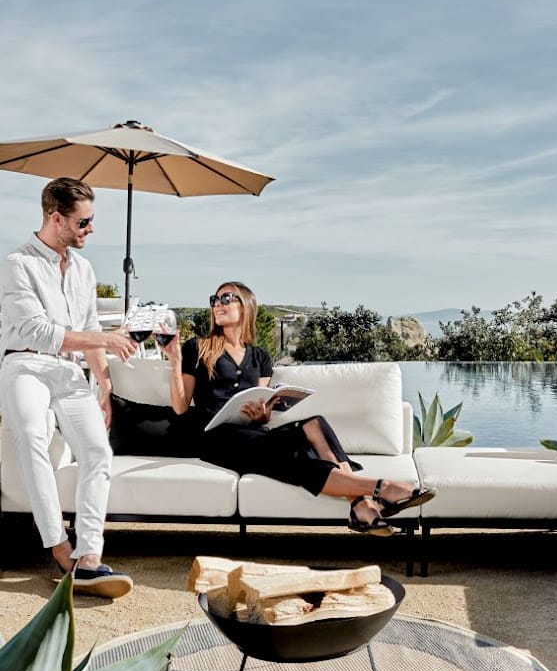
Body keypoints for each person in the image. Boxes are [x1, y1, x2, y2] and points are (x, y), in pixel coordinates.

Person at [161, 281, 434, 535]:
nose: (217, 304)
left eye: (226, 298)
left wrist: (263, 414)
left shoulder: (260, 357)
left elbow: (263, 404)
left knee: (314, 423)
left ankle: (361, 507)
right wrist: (174, 361)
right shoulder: (198, 347)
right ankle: (379, 490)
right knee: (301, 456)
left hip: (252, 434)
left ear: (246, 306)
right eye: (215, 300)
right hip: (215, 438)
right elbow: (180, 407)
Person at [0, 177, 139, 598]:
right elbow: (38, 331)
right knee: (31, 436)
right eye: (84, 222)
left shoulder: (83, 268)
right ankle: (59, 547)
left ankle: (90, 556)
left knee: (98, 451)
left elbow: (90, 327)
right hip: (24, 363)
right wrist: (105, 342)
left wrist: (104, 384)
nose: (90, 230)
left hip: (69, 371)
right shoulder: (17, 263)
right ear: (55, 217)